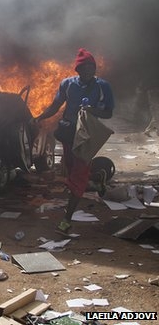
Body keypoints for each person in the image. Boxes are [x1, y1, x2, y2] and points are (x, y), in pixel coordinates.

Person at [33, 48, 114, 235]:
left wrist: (92, 110)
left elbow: (108, 112)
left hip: (86, 136)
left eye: (91, 67)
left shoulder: (103, 86)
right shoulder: (67, 84)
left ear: (95, 69)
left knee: (77, 176)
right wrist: (40, 117)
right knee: (71, 169)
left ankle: (66, 220)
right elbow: (55, 106)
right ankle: (97, 178)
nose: (88, 71)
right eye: (84, 68)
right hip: (68, 133)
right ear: (77, 70)